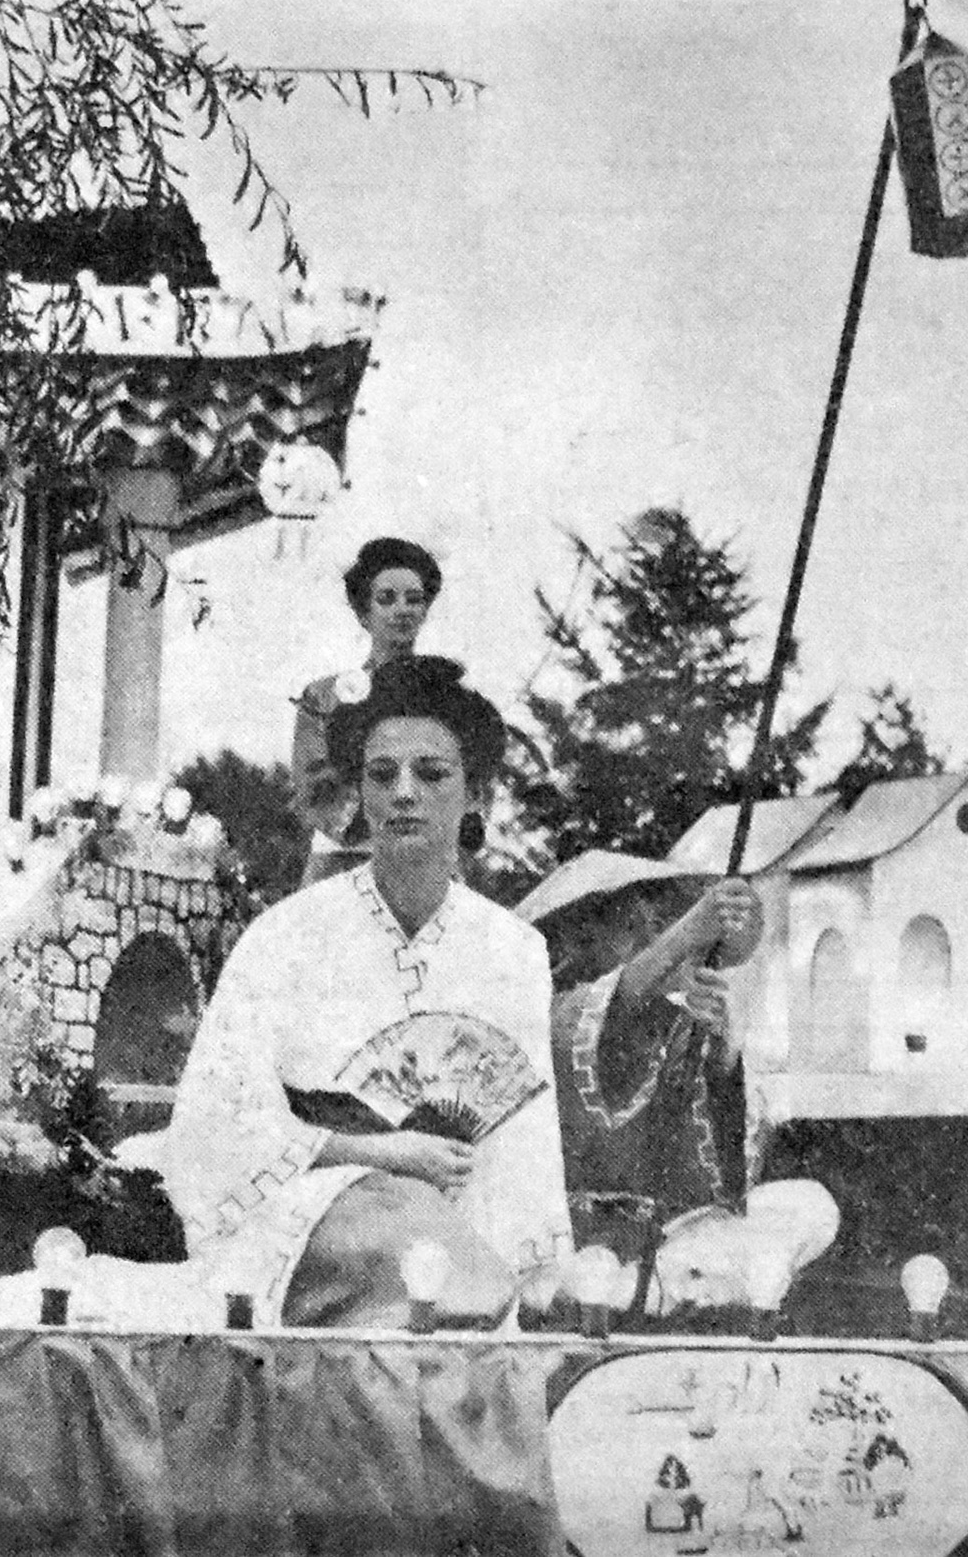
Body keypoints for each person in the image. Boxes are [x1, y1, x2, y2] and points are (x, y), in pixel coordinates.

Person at [164, 656, 573, 1328]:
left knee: (479, 1288)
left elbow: (524, 1146)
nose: (404, 793)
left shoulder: (513, 950)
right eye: (382, 775)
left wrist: (532, 1268)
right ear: (358, 793)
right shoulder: (286, 935)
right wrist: (373, 1154)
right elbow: (214, 1127)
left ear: (477, 796)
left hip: (463, 1227)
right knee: (410, 1238)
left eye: (432, 773)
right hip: (315, 1216)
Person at [518, 854, 763, 1252]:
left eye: (659, 922)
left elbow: (716, 1153)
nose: (650, 939)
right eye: (631, 925)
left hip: (664, 1248)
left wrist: (722, 1055)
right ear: (580, 938)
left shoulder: (676, 1018)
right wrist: (684, 936)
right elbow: (610, 1014)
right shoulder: (555, 1012)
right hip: (572, 1243)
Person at [290, 538, 442, 887]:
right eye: (386, 599)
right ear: (363, 614)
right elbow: (314, 789)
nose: (402, 610)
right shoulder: (325, 697)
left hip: (424, 865)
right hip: (343, 862)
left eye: (414, 599)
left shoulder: (446, 697)